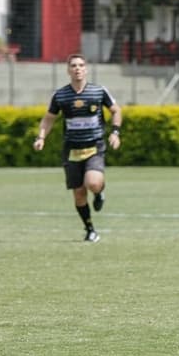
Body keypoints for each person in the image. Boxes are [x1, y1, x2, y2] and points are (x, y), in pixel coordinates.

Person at [33, 53, 122, 243]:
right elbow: (49, 118)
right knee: (79, 193)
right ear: (68, 70)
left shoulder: (98, 91)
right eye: (73, 66)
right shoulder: (61, 95)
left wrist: (115, 132)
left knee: (93, 183)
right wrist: (41, 137)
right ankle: (90, 229)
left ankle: (99, 192)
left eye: (81, 65)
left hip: (94, 146)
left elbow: (116, 110)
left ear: (86, 69)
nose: (77, 69)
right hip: (71, 149)